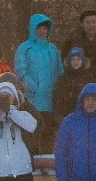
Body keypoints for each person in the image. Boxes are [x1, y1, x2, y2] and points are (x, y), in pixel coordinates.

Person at [14, 14, 64, 154]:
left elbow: (59, 71)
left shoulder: (52, 49)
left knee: (48, 134)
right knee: (32, 134)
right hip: (32, 101)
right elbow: (20, 71)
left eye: (45, 29)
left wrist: (57, 91)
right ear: (33, 29)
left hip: (49, 101)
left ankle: (47, 164)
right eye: (39, 28)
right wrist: (33, 87)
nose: (42, 31)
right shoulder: (24, 48)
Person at [64, 10, 96, 103]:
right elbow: (65, 64)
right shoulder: (72, 41)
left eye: (93, 22)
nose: (91, 25)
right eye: (87, 22)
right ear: (82, 24)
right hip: (80, 87)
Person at [57, 47, 94, 119]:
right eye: (73, 59)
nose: (76, 62)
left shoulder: (88, 77)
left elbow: (94, 95)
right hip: (67, 113)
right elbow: (58, 97)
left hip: (85, 114)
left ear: (82, 61)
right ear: (69, 61)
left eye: (78, 59)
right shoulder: (64, 78)